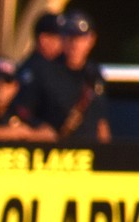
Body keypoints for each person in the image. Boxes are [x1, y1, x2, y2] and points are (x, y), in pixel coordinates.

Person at [24, 11, 111, 142]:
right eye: (70, 37)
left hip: (90, 156)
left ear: (91, 40)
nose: (75, 44)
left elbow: (100, 122)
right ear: (62, 39)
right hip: (57, 157)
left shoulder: (94, 73)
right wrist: (39, 132)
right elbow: (24, 113)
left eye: (81, 38)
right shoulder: (44, 71)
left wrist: (107, 154)